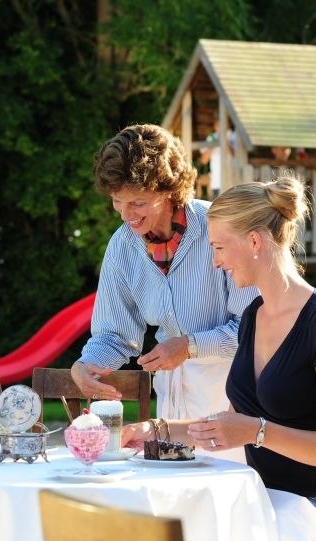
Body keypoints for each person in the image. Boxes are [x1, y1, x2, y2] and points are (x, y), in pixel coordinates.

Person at [122, 175, 316, 541]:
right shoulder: (253, 316)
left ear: (254, 242)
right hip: (261, 497)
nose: (216, 262)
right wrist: (157, 430)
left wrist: (257, 432)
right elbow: (232, 424)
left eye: (219, 248)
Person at [70, 123, 256, 463]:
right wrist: (87, 365)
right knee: (175, 490)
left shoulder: (221, 229)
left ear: (168, 190)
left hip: (235, 402)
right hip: (171, 406)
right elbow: (114, 334)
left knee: (233, 491)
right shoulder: (122, 247)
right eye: (117, 201)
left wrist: (190, 346)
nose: (126, 215)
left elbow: (257, 331)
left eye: (138, 202)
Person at [199, 120, 235, 199]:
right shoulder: (211, 138)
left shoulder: (233, 136)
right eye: (218, 124)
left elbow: (235, 156)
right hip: (216, 183)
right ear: (215, 126)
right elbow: (204, 161)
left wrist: (224, 141)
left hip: (232, 182)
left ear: (228, 124)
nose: (220, 127)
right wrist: (212, 145)